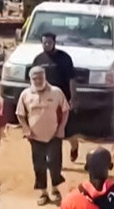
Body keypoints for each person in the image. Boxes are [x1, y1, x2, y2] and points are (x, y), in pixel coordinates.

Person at [16, 66, 70, 206]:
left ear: (45, 77)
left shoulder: (56, 92)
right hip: (35, 137)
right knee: (39, 165)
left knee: (54, 163)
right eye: (35, 78)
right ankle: (43, 192)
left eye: (41, 77)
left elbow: (65, 110)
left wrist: (61, 129)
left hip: (54, 135)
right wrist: (26, 130)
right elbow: (20, 115)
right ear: (31, 79)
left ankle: (55, 190)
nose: (38, 81)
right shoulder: (25, 95)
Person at [33, 33, 81, 162]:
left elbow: (72, 79)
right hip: (44, 101)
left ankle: (74, 147)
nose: (46, 45)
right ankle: (51, 158)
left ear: (54, 42)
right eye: (44, 43)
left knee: (67, 131)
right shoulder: (38, 60)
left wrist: (74, 97)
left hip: (62, 100)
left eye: (49, 42)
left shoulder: (64, 58)